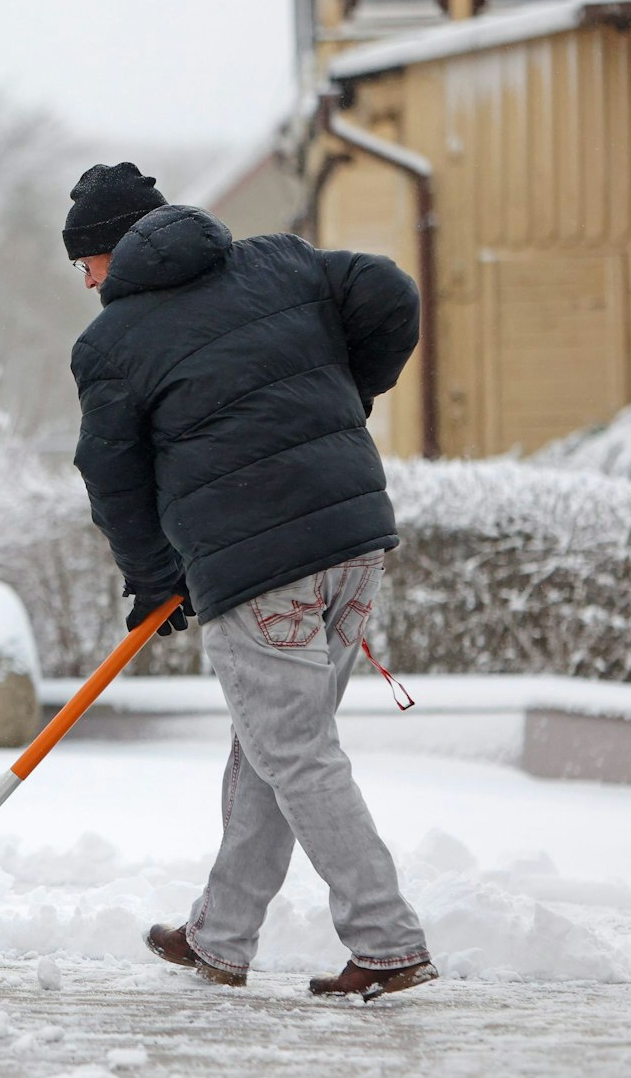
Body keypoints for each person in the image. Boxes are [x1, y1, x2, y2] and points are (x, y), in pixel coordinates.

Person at [62, 162, 436, 1000]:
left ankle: (386, 938)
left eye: (84, 261)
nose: (85, 281)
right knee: (273, 747)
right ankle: (220, 935)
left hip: (257, 562)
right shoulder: (279, 262)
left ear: (114, 254)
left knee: (294, 751)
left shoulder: (112, 342)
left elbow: (112, 477)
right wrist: (344, 399)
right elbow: (390, 291)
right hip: (354, 539)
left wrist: (151, 575)